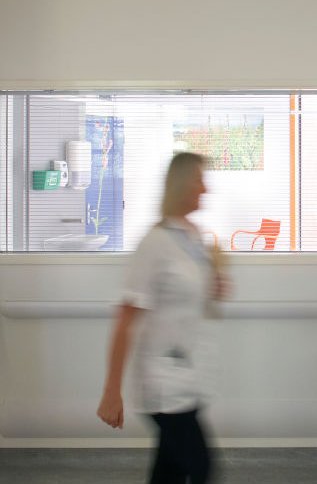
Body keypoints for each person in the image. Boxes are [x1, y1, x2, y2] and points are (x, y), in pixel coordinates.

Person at [97, 152, 227, 484]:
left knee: (169, 472)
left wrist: (216, 284)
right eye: (199, 180)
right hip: (162, 382)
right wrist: (112, 391)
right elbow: (125, 319)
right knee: (201, 466)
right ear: (182, 184)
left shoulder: (194, 237)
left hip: (190, 376)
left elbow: (194, 300)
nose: (205, 188)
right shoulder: (154, 242)